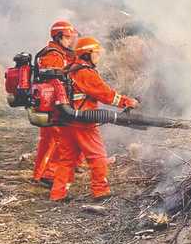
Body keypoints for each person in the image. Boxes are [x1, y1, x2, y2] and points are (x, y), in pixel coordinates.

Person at [49, 36, 139, 202]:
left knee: (67, 159)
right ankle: (100, 191)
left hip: (66, 120)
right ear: (86, 54)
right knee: (97, 155)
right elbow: (106, 95)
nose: (98, 56)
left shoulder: (69, 69)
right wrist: (128, 102)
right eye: (96, 53)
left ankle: (57, 193)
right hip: (83, 122)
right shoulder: (86, 73)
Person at [32, 19, 77, 187]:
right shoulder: (53, 55)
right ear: (57, 36)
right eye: (67, 36)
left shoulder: (53, 52)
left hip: (47, 106)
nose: (70, 40)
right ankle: (50, 175)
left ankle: (38, 174)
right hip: (55, 106)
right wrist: (64, 105)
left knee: (47, 141)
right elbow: (56, 82)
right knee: (63, 140)